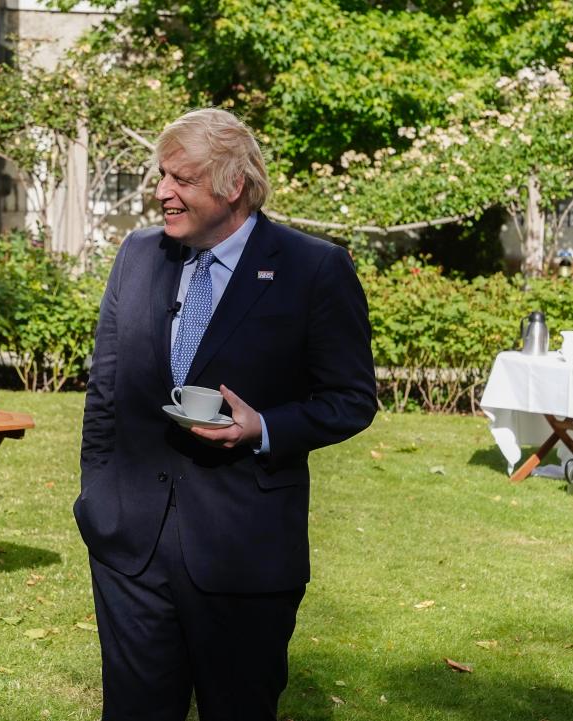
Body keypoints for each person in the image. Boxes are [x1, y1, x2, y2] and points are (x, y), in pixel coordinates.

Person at [75, 108, 377, 720]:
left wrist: (263, 428)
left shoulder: (312, 269)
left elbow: (350, 400)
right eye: (162, 175)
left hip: (244, 552)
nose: (162, 192)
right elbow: (104, 388)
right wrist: (98, 498)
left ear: (232, 186)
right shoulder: (137, 255)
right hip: (128, 544)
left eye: (181, 179)